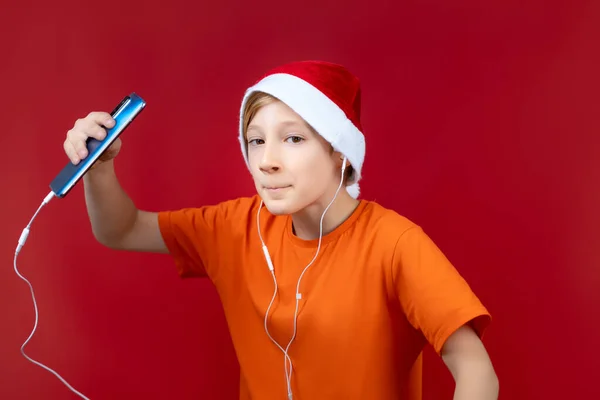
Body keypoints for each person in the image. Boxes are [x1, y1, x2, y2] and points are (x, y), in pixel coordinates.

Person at [63, 60, 499, 400]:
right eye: (256, 140)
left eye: (293, 139)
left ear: (339, 152)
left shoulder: (395, 244)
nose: (267, 160)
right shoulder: (234, 228)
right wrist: (98, 167)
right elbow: (121, 230)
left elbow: (475, 368)